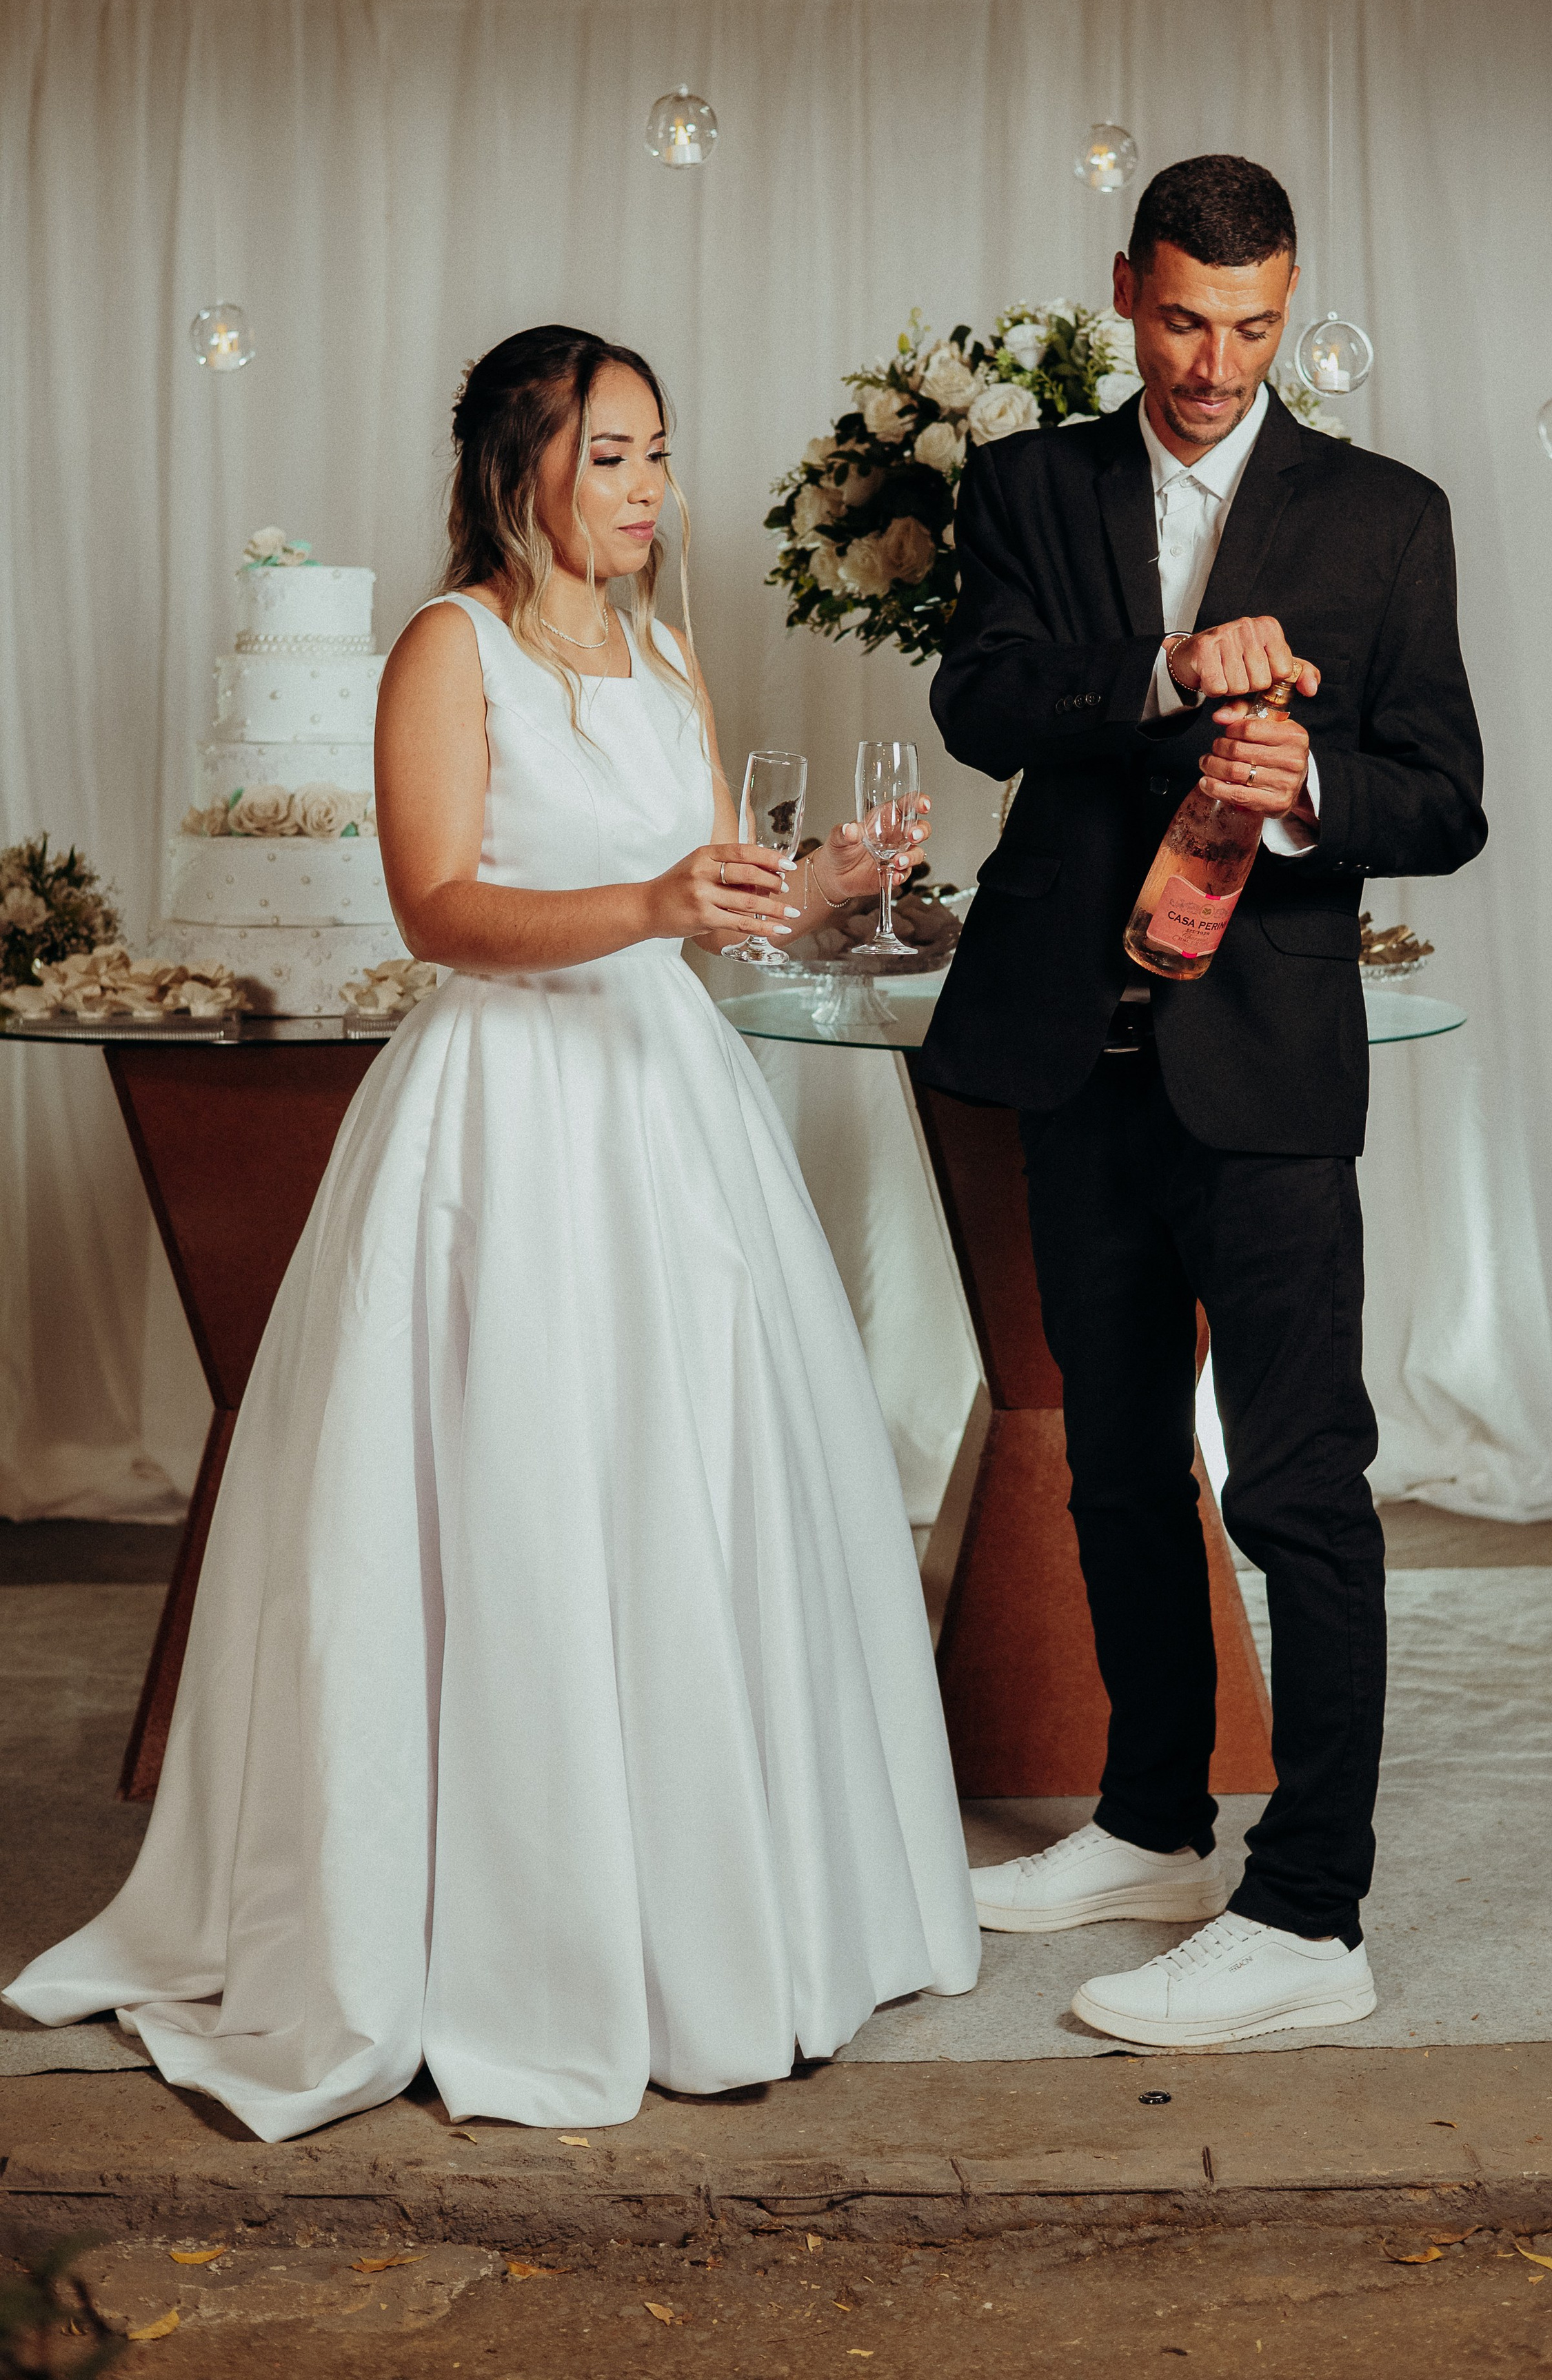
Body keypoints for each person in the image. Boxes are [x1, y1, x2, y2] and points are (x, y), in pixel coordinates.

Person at [6, 325, 980, 2137]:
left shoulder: (668, 652)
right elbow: (439, 908)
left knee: (684, 1481)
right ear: (520, 467)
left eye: (659, 453)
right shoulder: (446, 648)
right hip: (508, 1119)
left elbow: (715, 908)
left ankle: (711, 1918)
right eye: (613, 454)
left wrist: (828, 882)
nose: (650, 487)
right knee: (514, 1490)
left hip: (669, 1107)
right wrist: (656, 898)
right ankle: (504, 1929)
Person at [917, 156, 1485, 2048]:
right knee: (1114, 1458)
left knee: (1300, 1482)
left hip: (1268, 1066)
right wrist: (1165, 669)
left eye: (1252, 327)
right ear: (1123, 291)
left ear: (1288, 307)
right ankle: (1156, 1826)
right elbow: (985, 704)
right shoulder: (1027, 484)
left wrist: (1306, 780)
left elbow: (1448, 797)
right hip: (1068, 1049)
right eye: (1182, 320)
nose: (1216, 364)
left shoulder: (1387, 516)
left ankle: (1311, 1913)